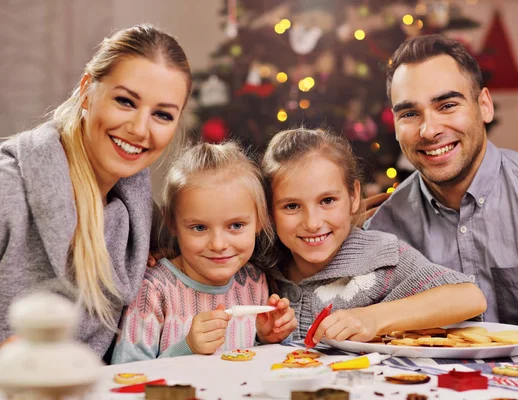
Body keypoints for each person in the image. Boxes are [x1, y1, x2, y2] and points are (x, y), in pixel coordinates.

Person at [365, 34, 518, 356]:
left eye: (447, 105)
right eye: (409, 113)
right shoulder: (385, 229)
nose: (429, 130)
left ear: (484, 105)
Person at [0, 24, 192, 360]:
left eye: (162, 114)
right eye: (125, 101)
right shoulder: (8, 189)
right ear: (87, 90)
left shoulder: (144, 222)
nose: (139, 129)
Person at [261, 127, 486, 343]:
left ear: (354, 196)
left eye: (327, 201)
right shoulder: (261, 268)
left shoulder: (382, 257)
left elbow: (469, 297)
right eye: (291, 206)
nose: (312, 223)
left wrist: (374, 318)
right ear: (269, 211)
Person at [111, 142, 297, 364]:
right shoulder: (153, 290)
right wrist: (186, 348)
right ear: (172, 222)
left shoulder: (254, 281)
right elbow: (126, 374)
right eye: (199, 228)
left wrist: (269, 339)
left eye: (236, 226)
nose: (218, 244)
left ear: (260, 220)